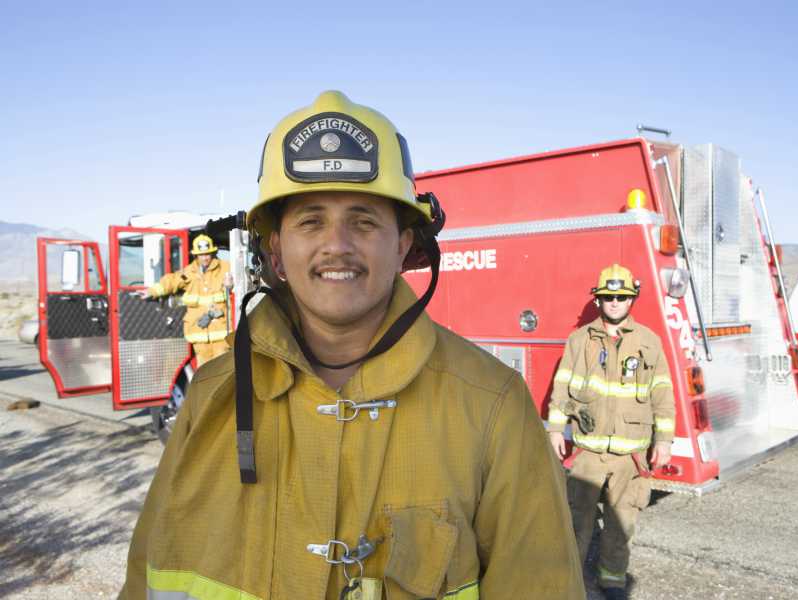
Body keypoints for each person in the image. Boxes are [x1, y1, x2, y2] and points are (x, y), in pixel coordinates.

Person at [120, 90, 584, 599]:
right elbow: (149, 576)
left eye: (363, 220)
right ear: (275, 250)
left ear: (404, 244)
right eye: (310, 220)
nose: (336, 243)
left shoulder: (493, 405)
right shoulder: (212, 396)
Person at [547, 264, 675, 599]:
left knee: (622, 522)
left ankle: (613, 580)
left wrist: (663, 440)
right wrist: (556, 429)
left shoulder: (649, 341)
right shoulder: (580, 340)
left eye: (621, 296)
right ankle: (568, 579)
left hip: (630, 455)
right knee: (576, 521)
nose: (615, 302)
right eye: (608, 296)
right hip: (588, 451)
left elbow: (663, 392)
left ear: (632, 299)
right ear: (599, 299)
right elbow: (562, 386)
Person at [140, 234, 233, 366]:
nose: (205, 258)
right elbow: (171, 281)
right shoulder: (189, 272)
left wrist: (231, 283)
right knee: (204, 374)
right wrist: (152, 291)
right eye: (201, 254)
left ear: (213, 253)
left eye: (208, 254)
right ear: (196, 256)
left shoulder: (226, 268)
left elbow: (243, 280)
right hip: (199, 331)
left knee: (223, 371)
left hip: (221, 332)